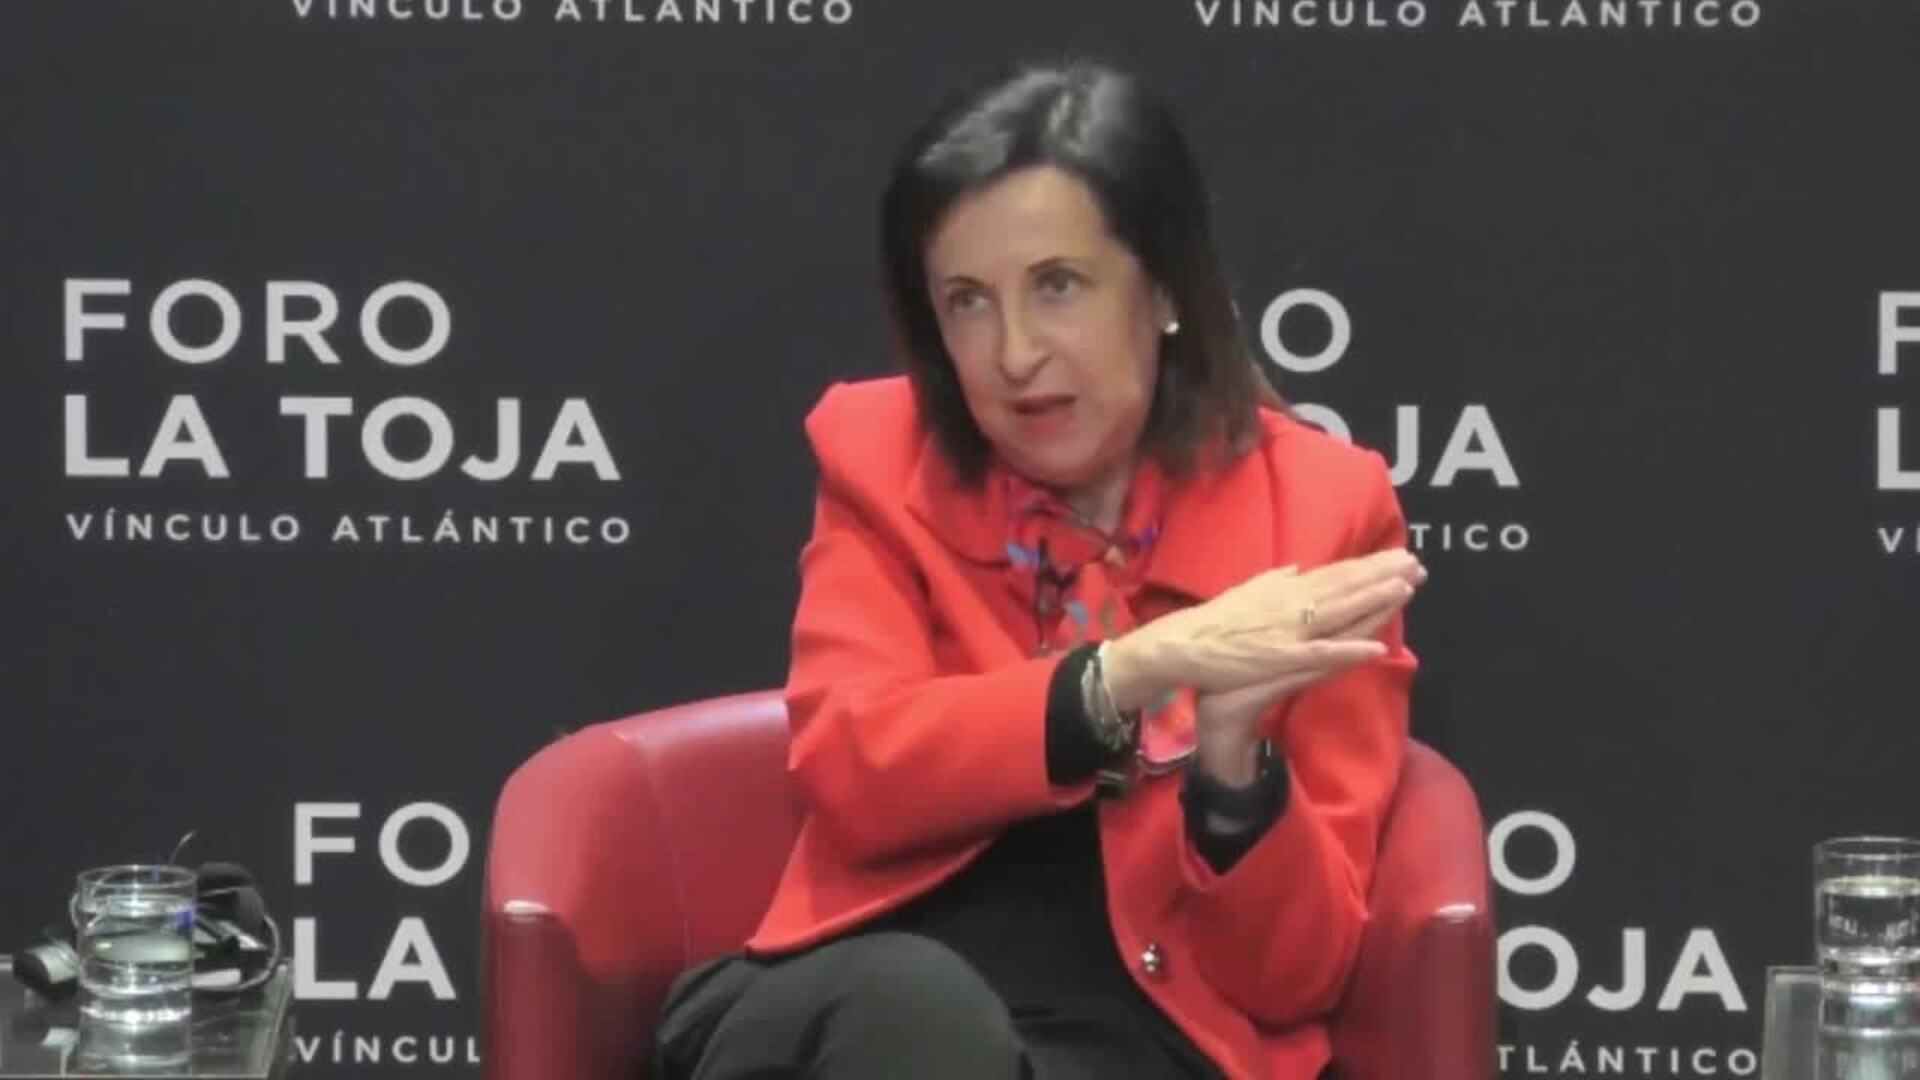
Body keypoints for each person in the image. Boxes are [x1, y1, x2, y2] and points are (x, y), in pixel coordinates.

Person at [653, 60, 1427, 1080]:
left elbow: (1296, 978)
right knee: (917, 1013)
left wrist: (1237, 774)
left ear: (1165, 287)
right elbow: (855, 771)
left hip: (1131, 1043)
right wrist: (1128, 672)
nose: (1013, 353)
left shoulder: (1323, 511)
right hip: (854, 1007)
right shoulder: (881, 458)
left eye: (1057, 286)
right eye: (967, 302)